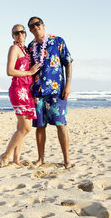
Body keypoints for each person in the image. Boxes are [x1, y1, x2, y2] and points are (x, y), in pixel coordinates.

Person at [27, 16, 74, 169]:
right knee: (40, 126)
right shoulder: (31, 46)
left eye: (37, 24)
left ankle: (67, 160)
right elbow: (29, 70)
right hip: (38, 91)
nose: (35, 27)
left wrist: (68, 85)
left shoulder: (58, 41)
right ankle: (40, 159)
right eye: (31, 26)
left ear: (43, 25)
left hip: (56, 90)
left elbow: (68, 62)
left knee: (61, 124)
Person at [0, 24, 40, 167]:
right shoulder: (14, 49)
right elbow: (10, 71)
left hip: (28, 91)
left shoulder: (27, 50)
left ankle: (16, 159)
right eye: (16, 33)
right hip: (18, 90)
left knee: (21, 128)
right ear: (13, 36)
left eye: (22, 32)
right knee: (26, 128)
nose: (20, 35)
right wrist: (29, 72)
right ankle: (5, 155)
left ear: (25, 34)